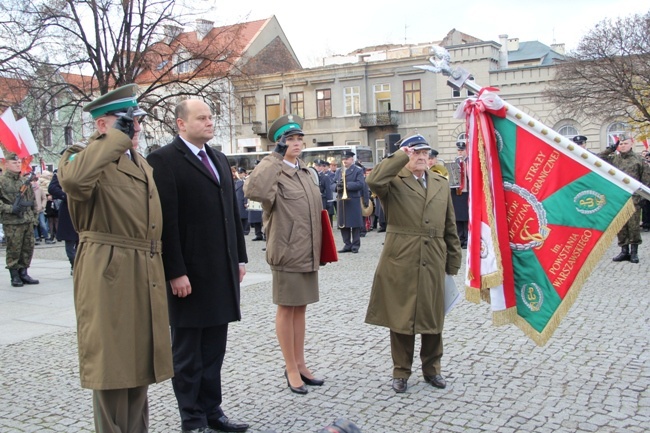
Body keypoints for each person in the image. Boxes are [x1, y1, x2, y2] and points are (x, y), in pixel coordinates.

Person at [57, 83, 173, 432]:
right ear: (102, 124)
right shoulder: (81, 154)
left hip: (143, 269)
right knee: (111, 371)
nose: (134, 128)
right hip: (109, 269)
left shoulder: (137, 161)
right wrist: (112, 141)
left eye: (135, 120)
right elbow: (75, 182)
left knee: (138, 368)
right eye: (126, 121)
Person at [147, 99, 249, 433]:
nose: (209, 122)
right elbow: (166, 222)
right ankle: (191, 418)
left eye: (210, 117)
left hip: (220, 272)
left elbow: (231, 213)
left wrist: (239, 257)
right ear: (181, 123)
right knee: (189, 354)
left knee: (214, 350)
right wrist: (175, 270)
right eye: (201, 118)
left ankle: (212, 411)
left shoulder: (218, 158)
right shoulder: (163, 161)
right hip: (188, 275)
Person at [365, 134, 462, 394]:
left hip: (433, 256)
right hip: (402, 257)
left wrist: (453, 262)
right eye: (415, 153)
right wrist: (399, 155)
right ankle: (401, 372)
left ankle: (432, 369)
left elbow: (449, 225)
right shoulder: (393, 182)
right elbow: (373, 180)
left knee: (433, 316)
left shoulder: (440, 182)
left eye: (424, 153)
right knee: (402, 318)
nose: (420, 157)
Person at [244, 114, 324, 395]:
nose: (296, 143)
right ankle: (290, 367)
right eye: (289, 139)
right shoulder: (274, 172)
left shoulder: (306, 172)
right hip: (287, 252)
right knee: (286, 308)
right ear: (278, 144)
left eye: (299, 138)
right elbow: (253, 190)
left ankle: (300, 363)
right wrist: (272, 158)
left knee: (300, 308)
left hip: (307, 252)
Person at [597, 133, 650, 263]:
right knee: (620, 226)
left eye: (625, 143)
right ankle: (624, 250)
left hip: (634, 198)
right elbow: (599, 158)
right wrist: (611, 148)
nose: (623, 146)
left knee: (633, 226)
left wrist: (641, 198)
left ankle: (634, 252)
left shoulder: (639, 160)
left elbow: (646, 180)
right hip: (618, 198)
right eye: (620, 144)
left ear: (631, 143)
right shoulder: (614, 159)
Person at [0, 152, 39, 287]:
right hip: (12, 221)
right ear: (6, 164)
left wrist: (34, 217)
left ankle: (24, 272)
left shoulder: (24, 181)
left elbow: (31, 200)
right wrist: (10, 208)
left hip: (27, 219)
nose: (17, 164)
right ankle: (14, 275)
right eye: (14, 163)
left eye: (18, 162)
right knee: (14, 248)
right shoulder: (2, 181)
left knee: (28, 247)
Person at [335, 151, 366, 253]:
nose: (345, 161)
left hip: (353, 199)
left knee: (355, 224)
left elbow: (360, 184)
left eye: (347, 159)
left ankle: (355, 245)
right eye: (343, 159)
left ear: (352, 159)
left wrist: (346, 185)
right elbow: (332, 183)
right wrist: (337, 187)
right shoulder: (339, 171)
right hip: (341, 200)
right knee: (343, 224)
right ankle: (347, 244)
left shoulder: (358, 170)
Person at [48, 171, 79, 275]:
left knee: (83, 242)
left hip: (83, 210)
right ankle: (74, 265)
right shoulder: (61, 172)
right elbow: (52, 188)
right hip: (68, 211)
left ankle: (81, 266)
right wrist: (66, 196)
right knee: (70, 242)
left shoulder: (84, 168)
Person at [451, 141, 469, 249]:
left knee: (466, 217)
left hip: (467, 192)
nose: (460, 152)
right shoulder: (455, 162)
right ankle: (460, 238)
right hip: (457, 192)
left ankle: (467, 239)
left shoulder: (469, 162)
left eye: (462, 150)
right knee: (458, 217)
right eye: (459, 150)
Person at [32, 176, 51, 244]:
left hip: (40, 210)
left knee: (43, 224)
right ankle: (37, 238)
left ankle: (46, 237)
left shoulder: (39, 189)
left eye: (35, 180)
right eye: (32, 181)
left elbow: (44, 198)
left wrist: (42, 206)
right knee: (34, 225)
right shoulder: (28, 189)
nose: (33, 182)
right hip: (32, 211)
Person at [315, 159, 334, 226]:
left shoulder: (325, 177)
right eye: (316, 166)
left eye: (320, 166)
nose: (318, 167)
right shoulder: (312, 176)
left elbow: (328, 189)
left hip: (322, 198)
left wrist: (329, 201)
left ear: (323, 167)